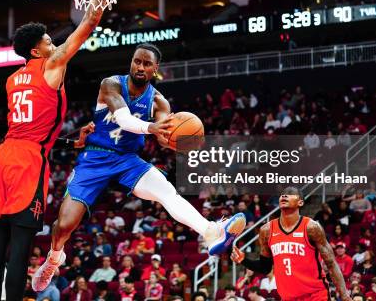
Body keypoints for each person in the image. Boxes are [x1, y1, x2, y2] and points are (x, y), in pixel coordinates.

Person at [33, 43, 246, 291]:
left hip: (127, 159)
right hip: (96, 157)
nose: (140, 67)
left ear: (156, 68)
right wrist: (151, 128)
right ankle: (54, 258)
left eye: (146, 63)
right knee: (64, 225)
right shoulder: (110, 84)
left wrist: (178, 141)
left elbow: (165, 133)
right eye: (137, 61)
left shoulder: (158, 101)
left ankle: (212, 232)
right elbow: (124, 119)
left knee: (166, 191)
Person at [0, 0, 110, 301]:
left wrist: (66, 136)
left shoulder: (12, 80)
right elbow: (89, 23)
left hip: (3, 155)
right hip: (27, 159)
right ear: (37, 52)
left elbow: (33, 122)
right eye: (48, 42)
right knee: (21, 245)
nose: (54, 45)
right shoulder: (50, 66)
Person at [231, 186, 352, 301]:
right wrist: (243, 259)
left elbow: (331, 263)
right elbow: (265, 267)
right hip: (288, 297)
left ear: (300, 202)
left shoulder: (311, 227)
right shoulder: (266, 230)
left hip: (315, 295)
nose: (284, 196)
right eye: (282, 195)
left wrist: (344, 295)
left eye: (290, 194)